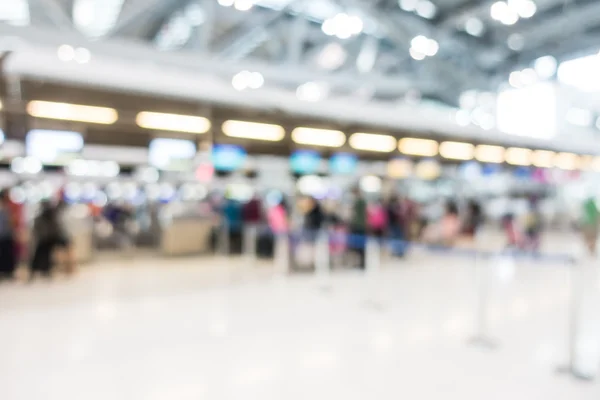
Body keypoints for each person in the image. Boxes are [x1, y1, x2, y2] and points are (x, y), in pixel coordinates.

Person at [30, 201, 69, 280]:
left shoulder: (51, 216)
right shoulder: (42, 217)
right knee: (39, 256)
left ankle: (46, 270)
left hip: (49, 239)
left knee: (47, 256)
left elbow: (55, 228)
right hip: (43, 239)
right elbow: (38, 229)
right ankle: (35, 271)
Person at [0, 189, 17, 281]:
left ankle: (8, 272)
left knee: (8, 254)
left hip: (7, 235)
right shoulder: (4, 208)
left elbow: (12, 223)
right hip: (2, 235)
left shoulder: (9, 208)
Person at [349, 188, 367, 269]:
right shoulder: (361, 202)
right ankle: (360, 263)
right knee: (359, 247)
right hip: (360, 226)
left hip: (358, 226)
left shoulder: (359, 202)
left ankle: (361, 264)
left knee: (359, 246)